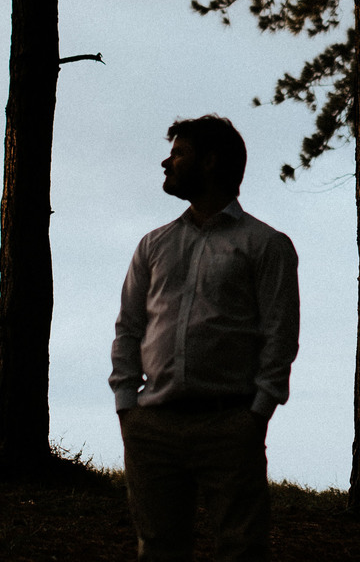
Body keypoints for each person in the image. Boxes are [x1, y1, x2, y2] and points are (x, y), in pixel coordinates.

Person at [110, 115, 300, 560]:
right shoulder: (153, 245)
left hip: (229, 424)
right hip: (152, 426)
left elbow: (280, 334)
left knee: (241, 549)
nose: (167, 162)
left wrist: (257, 413)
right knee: (158, 550)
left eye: (179, 153)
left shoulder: (265, 245)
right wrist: (127, 406)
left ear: (211, 161)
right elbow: (129, 328)